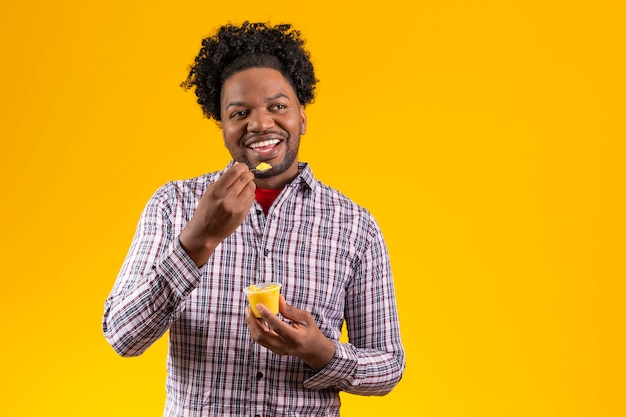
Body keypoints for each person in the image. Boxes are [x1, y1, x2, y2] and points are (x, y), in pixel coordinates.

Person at [102, 21, 405, 417]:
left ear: (302, 116)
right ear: (223, 126)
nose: (260, 124)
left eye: (278, 107)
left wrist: (322, 353)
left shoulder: (355, 226)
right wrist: (197, 241)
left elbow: (388, 366)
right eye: (240, 112)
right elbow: (124, 337)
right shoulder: (173, 205)